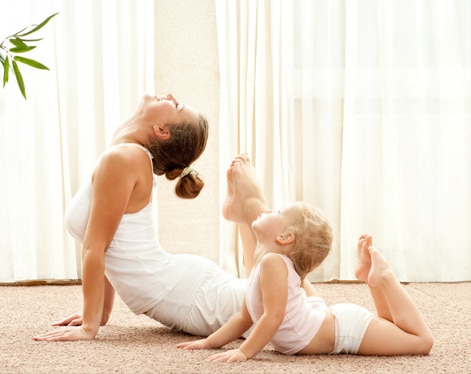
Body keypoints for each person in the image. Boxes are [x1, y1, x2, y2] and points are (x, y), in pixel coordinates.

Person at [33, 95, 269, 342]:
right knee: (271, 297)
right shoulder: (125, 156)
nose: (170, 96)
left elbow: (96, 247)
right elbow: (105, 245)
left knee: (295, 308)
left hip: (190, 294)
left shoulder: (124, 158)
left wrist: (89, 327)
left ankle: (253, 208)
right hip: (180, 285)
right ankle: (245, 214)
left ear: (161, 130)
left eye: (176, 105)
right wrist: (100, 314)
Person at [176, 203, 434, 360]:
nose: (268, 209)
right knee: (393, 327)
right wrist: (210, 342)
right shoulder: (267, 261)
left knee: (421, 342)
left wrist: (245, 352)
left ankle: (384, 277)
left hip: (345, 331)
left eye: (277, 211)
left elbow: (273, 316)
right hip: (331, 322)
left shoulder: (273, 263)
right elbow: (244, 316)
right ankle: (373, 278)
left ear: (286, 236)